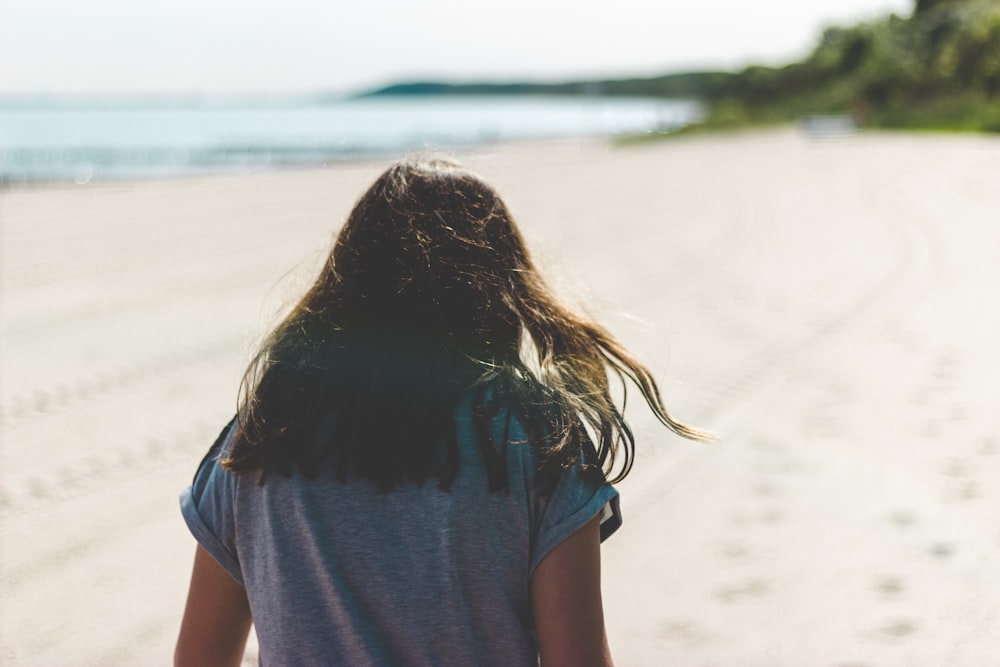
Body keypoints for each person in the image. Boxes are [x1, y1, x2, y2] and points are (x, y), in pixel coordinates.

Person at [175, 156, 709, 667]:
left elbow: (199, 659)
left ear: (347, 280)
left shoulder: (265, 433)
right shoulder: (538, 439)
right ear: (502, 282)